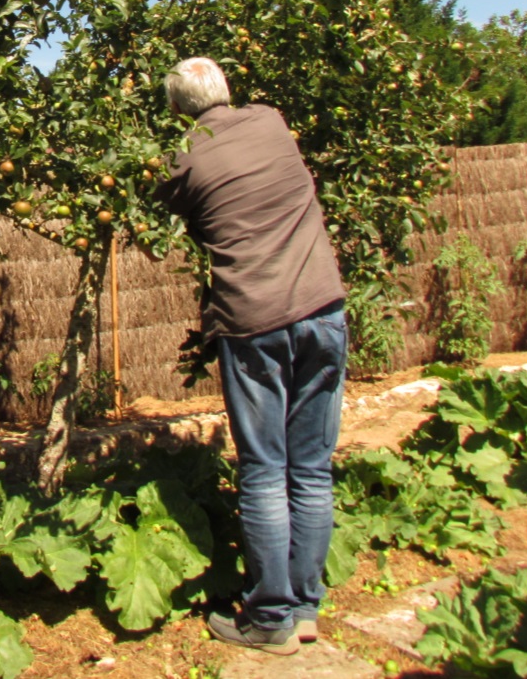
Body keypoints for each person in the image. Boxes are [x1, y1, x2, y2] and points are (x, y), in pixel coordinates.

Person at [156, 56, 347, 656]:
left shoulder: (181, 159)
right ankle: (306, 606)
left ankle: (269, 617)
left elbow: (159, 207)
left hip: (256, 322)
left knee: (265, 468)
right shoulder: (271, 121)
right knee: (312, 467)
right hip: (323, 308)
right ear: (227, 91)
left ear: (178, 109)